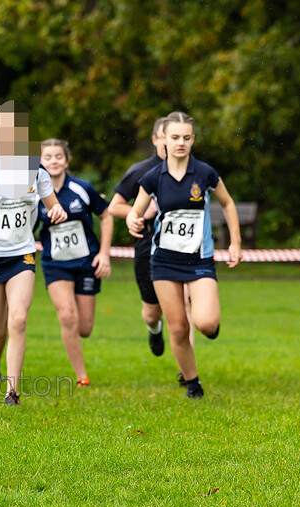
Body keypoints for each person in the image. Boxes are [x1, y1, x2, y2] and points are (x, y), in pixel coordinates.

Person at [127, 111, 242, 399]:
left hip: (199, 260)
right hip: (164, 262)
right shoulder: (153, 177)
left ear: (193, 140)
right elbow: (134, 211)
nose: (180, 143)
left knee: (205, 323)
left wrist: (235, 243)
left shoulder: (204, 173)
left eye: (186, 138)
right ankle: (193, 382)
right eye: (175, 137)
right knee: (178, 328)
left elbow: (227, 204)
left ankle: (210, 325)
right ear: (163, 139)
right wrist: (133, 220)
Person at [0, 102, 67, 405]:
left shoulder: (36, 170)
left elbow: (52, 205)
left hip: (21, 256)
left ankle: (13, 391)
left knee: (18, 320)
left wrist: (57, 211)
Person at [39, 139, 113, 387]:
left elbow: (107, 216)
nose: (53, 161)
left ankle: (81, 368)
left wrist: (104, 254)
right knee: (67, 317)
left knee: (84, 327)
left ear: (67, 160)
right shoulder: (34, 192)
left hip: (85, 263)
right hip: (55, 264)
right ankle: (82, 376)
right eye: (48, 157)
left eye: (58, 156)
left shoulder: (82, 188)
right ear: (40, 162)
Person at [108, 118, 168, 357]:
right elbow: (115, 207)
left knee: (183, 309)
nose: (170, 141)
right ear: (155, 140)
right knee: (152, 313)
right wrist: (139, 212)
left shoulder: (191, 171)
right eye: (165, 135)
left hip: (181, 250)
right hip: (147, 248)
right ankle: (154, 329)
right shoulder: (141, 170)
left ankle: (189, 373)